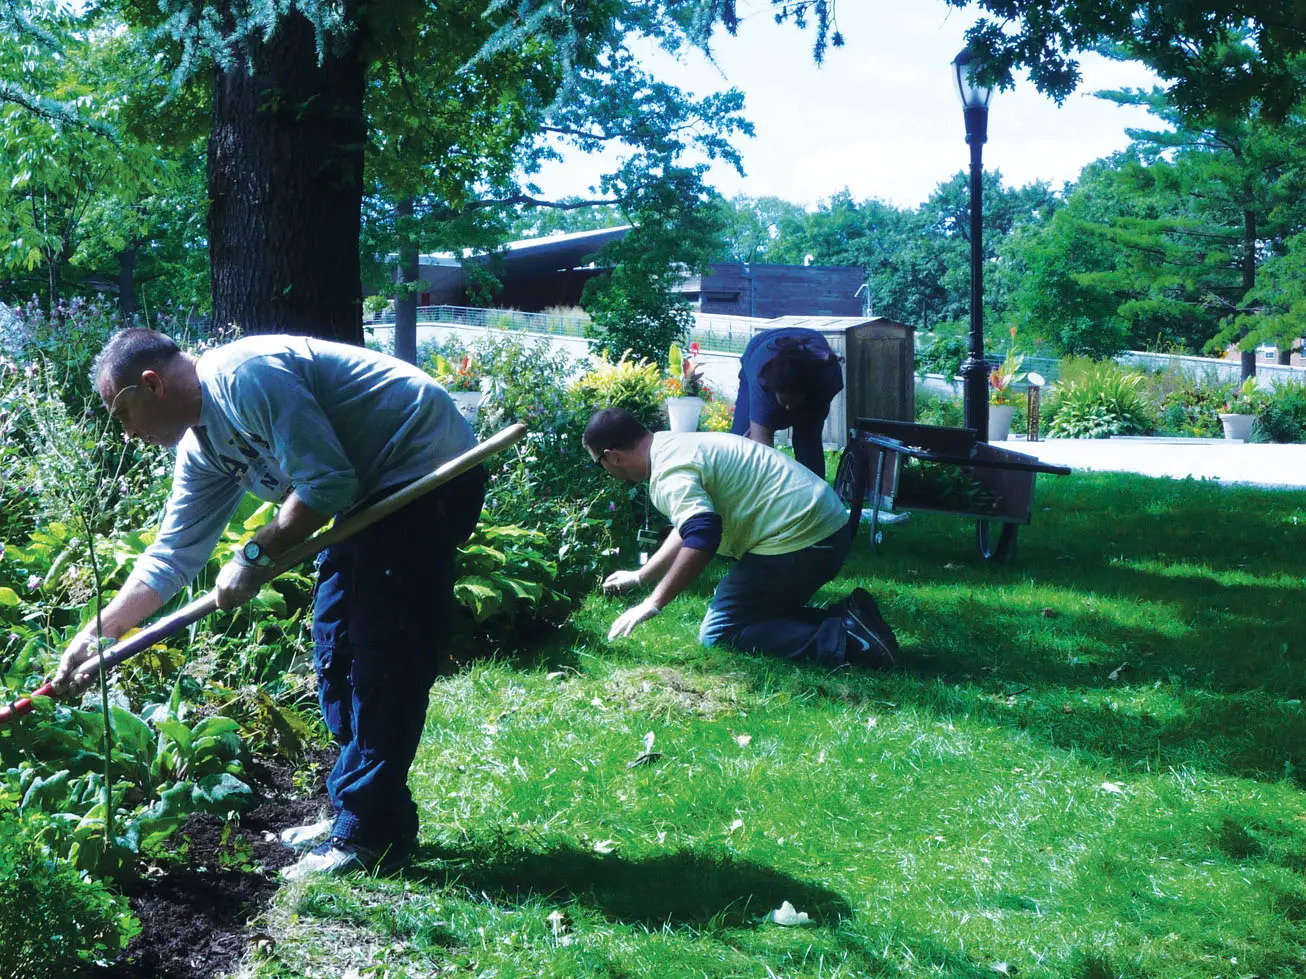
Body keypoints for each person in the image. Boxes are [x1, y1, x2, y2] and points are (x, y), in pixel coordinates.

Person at [52, 329, 486, 880]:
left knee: (383, 655)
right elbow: (173, 554)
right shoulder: (202, 445)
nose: (130, 434)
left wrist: (255, 554)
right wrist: (101, 630)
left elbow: (327, 481)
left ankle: (368, 835)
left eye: (124, 416)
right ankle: (355, 814)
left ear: (152, 384)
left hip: (425, 472)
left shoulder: (244, 374)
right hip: (368, 500)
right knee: (336, 649)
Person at [585, 407, 898, 667]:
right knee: (756, 617)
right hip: (823, 528)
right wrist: (642, 576)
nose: (605, 471)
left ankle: (850, 637)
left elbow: (702, 536)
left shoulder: (668, 473)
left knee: (720, 634)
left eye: (599, 465)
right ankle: (851, 619)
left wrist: (653, 603)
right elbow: (688, 527)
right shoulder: (671, 445)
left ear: (612, 456)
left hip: (803, 539)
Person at [731, 327, 844, 477]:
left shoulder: (827, 376)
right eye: (784, 403)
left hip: (813, 363)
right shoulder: (762, 380)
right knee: (742, 443)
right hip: (759, 349)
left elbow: (810, 424)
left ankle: (814, 495)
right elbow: (763, 450)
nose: (789, 409)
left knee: (808, 441)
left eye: (793, 402)